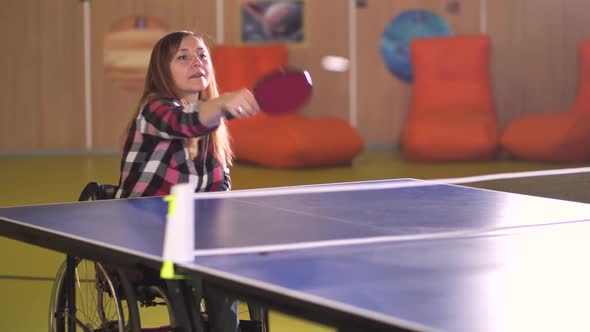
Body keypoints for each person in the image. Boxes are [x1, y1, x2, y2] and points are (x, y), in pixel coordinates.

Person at [115, 30, 260, 331]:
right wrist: (222, 104)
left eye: (202, 55)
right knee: (187, 266)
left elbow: (220, 187)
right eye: (183, 56)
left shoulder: (213, 129)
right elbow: (185, 122)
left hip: (193, 239)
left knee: (225, 274)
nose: (197, 62)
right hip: (144, 240)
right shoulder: (152, 110)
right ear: (162, 70)